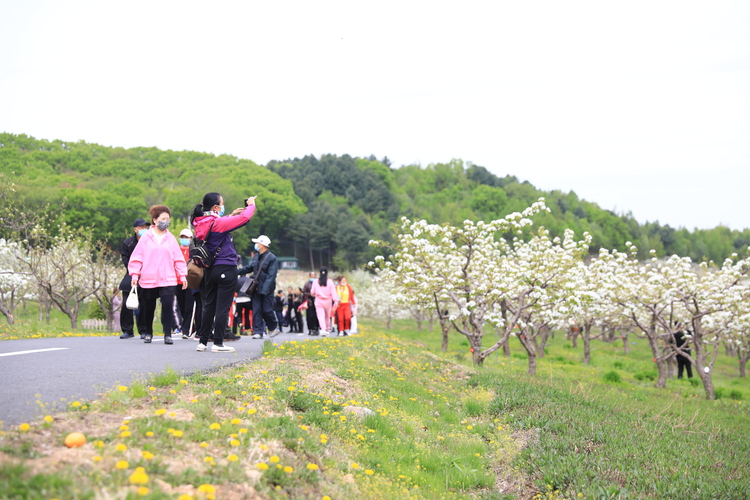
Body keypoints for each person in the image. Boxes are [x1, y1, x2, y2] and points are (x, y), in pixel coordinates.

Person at [191, 192, 256, 353]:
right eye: (222, 203)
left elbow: (217, 225)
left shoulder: (201, 222)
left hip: (210, 269)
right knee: (222, 307)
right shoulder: (218, 223)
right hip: (226, 267)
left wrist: (229, 215)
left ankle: (203, 341)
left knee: (209, 306)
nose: (223, 206)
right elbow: (244, 219)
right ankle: (218, 343)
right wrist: (251, 204)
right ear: (215, 207)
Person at [128, 206, 188, 344]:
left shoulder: (170, 238)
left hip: (168, 278)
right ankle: (148, 332)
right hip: (149, 278)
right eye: (163, 219)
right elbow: (137, 258)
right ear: (154, 220)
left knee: (168, 305)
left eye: (168, 219)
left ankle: (168, 334)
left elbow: (178, 258)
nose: (166, 222)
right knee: (148, 307)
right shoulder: (146, 238)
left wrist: (182, 276)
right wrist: (135, 275)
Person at [238, 235, 280, 339]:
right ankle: (258, 331)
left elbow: (271, 276)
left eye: (257, 243)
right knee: (256, 310)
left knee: (267, 310)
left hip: (267, 290)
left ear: (263, 245)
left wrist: (265, 289)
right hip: (255, 288)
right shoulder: (256, 256)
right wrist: (236, 271)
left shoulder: (272, 258)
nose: (256, 244)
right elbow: (249, 268)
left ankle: (273, 327)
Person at [119, 218, 150, 339]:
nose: (144, 230)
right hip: (131, 275)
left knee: (144, 303)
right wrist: (134, 272)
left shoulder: (150, 242)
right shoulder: (128, 243)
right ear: (135, 229)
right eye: (141, 227)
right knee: (127, 303)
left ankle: (144, 330)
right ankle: (127, 330)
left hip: (146, 275)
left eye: (145, 227)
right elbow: (125, 259)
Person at [311, 267, 339, 337]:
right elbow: (333, 293)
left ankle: (323, 329)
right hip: (328, 301)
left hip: (318, 300)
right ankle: (327, 329)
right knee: (327, 315)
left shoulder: (315, 281)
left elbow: (312, 292)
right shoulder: (330, 282)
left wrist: (316, 294)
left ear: (319, 273)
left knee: (320, 316)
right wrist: (336, 301)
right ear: (327, 274)